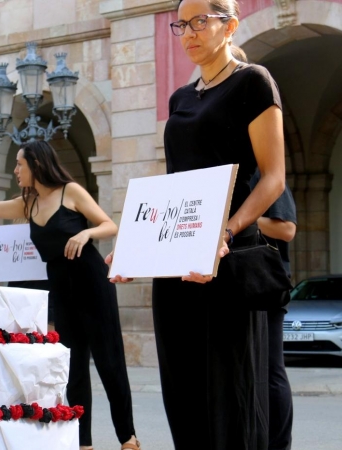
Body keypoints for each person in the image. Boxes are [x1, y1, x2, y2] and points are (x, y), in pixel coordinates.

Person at [108, 0, 287, 447]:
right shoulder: (180, 98)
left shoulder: (254, 82)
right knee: (183, 390)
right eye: (181, 25)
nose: (189, 33)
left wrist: (223, 232)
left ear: (230, 25)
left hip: (227, 259)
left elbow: (274, 178)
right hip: (177, 265)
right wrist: (137, 245)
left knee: (232, 395)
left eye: (200, 22)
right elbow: (176, 187)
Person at [0, 140, 140, 450]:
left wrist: (85, 232)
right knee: (73, 368)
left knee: (109, 362)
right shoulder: (28, 204)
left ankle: (128, 438)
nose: (16, 170)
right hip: (61, 288)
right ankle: (83, 442)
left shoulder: (69, 191)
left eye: (20, 164)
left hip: (92, 282)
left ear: (36, 164)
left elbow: (109, 224)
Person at [250, 169, 296, 450]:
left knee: (269, 369)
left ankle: (279, 445)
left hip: (265, 280)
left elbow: (287, 229)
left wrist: (245, 217)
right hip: (234, 281)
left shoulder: (263, 173)